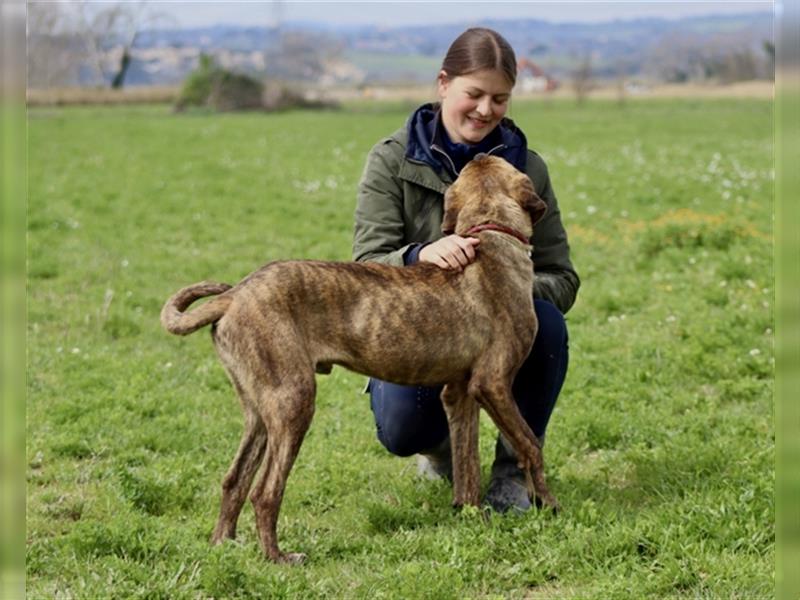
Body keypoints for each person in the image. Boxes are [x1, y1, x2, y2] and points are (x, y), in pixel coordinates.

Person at [352, 27, 579, 513]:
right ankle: (443, 453)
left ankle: (512, 474)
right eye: (473, 94)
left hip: (501, 329)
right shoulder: (392, 160)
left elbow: (563, 277)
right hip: (418, 323)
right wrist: (418, 256)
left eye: (500, 98)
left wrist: (503, 288)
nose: (485, 109)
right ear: (443, 84)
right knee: (402, 429)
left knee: (549, 328)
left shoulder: (527, 170)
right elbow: (367, 262)